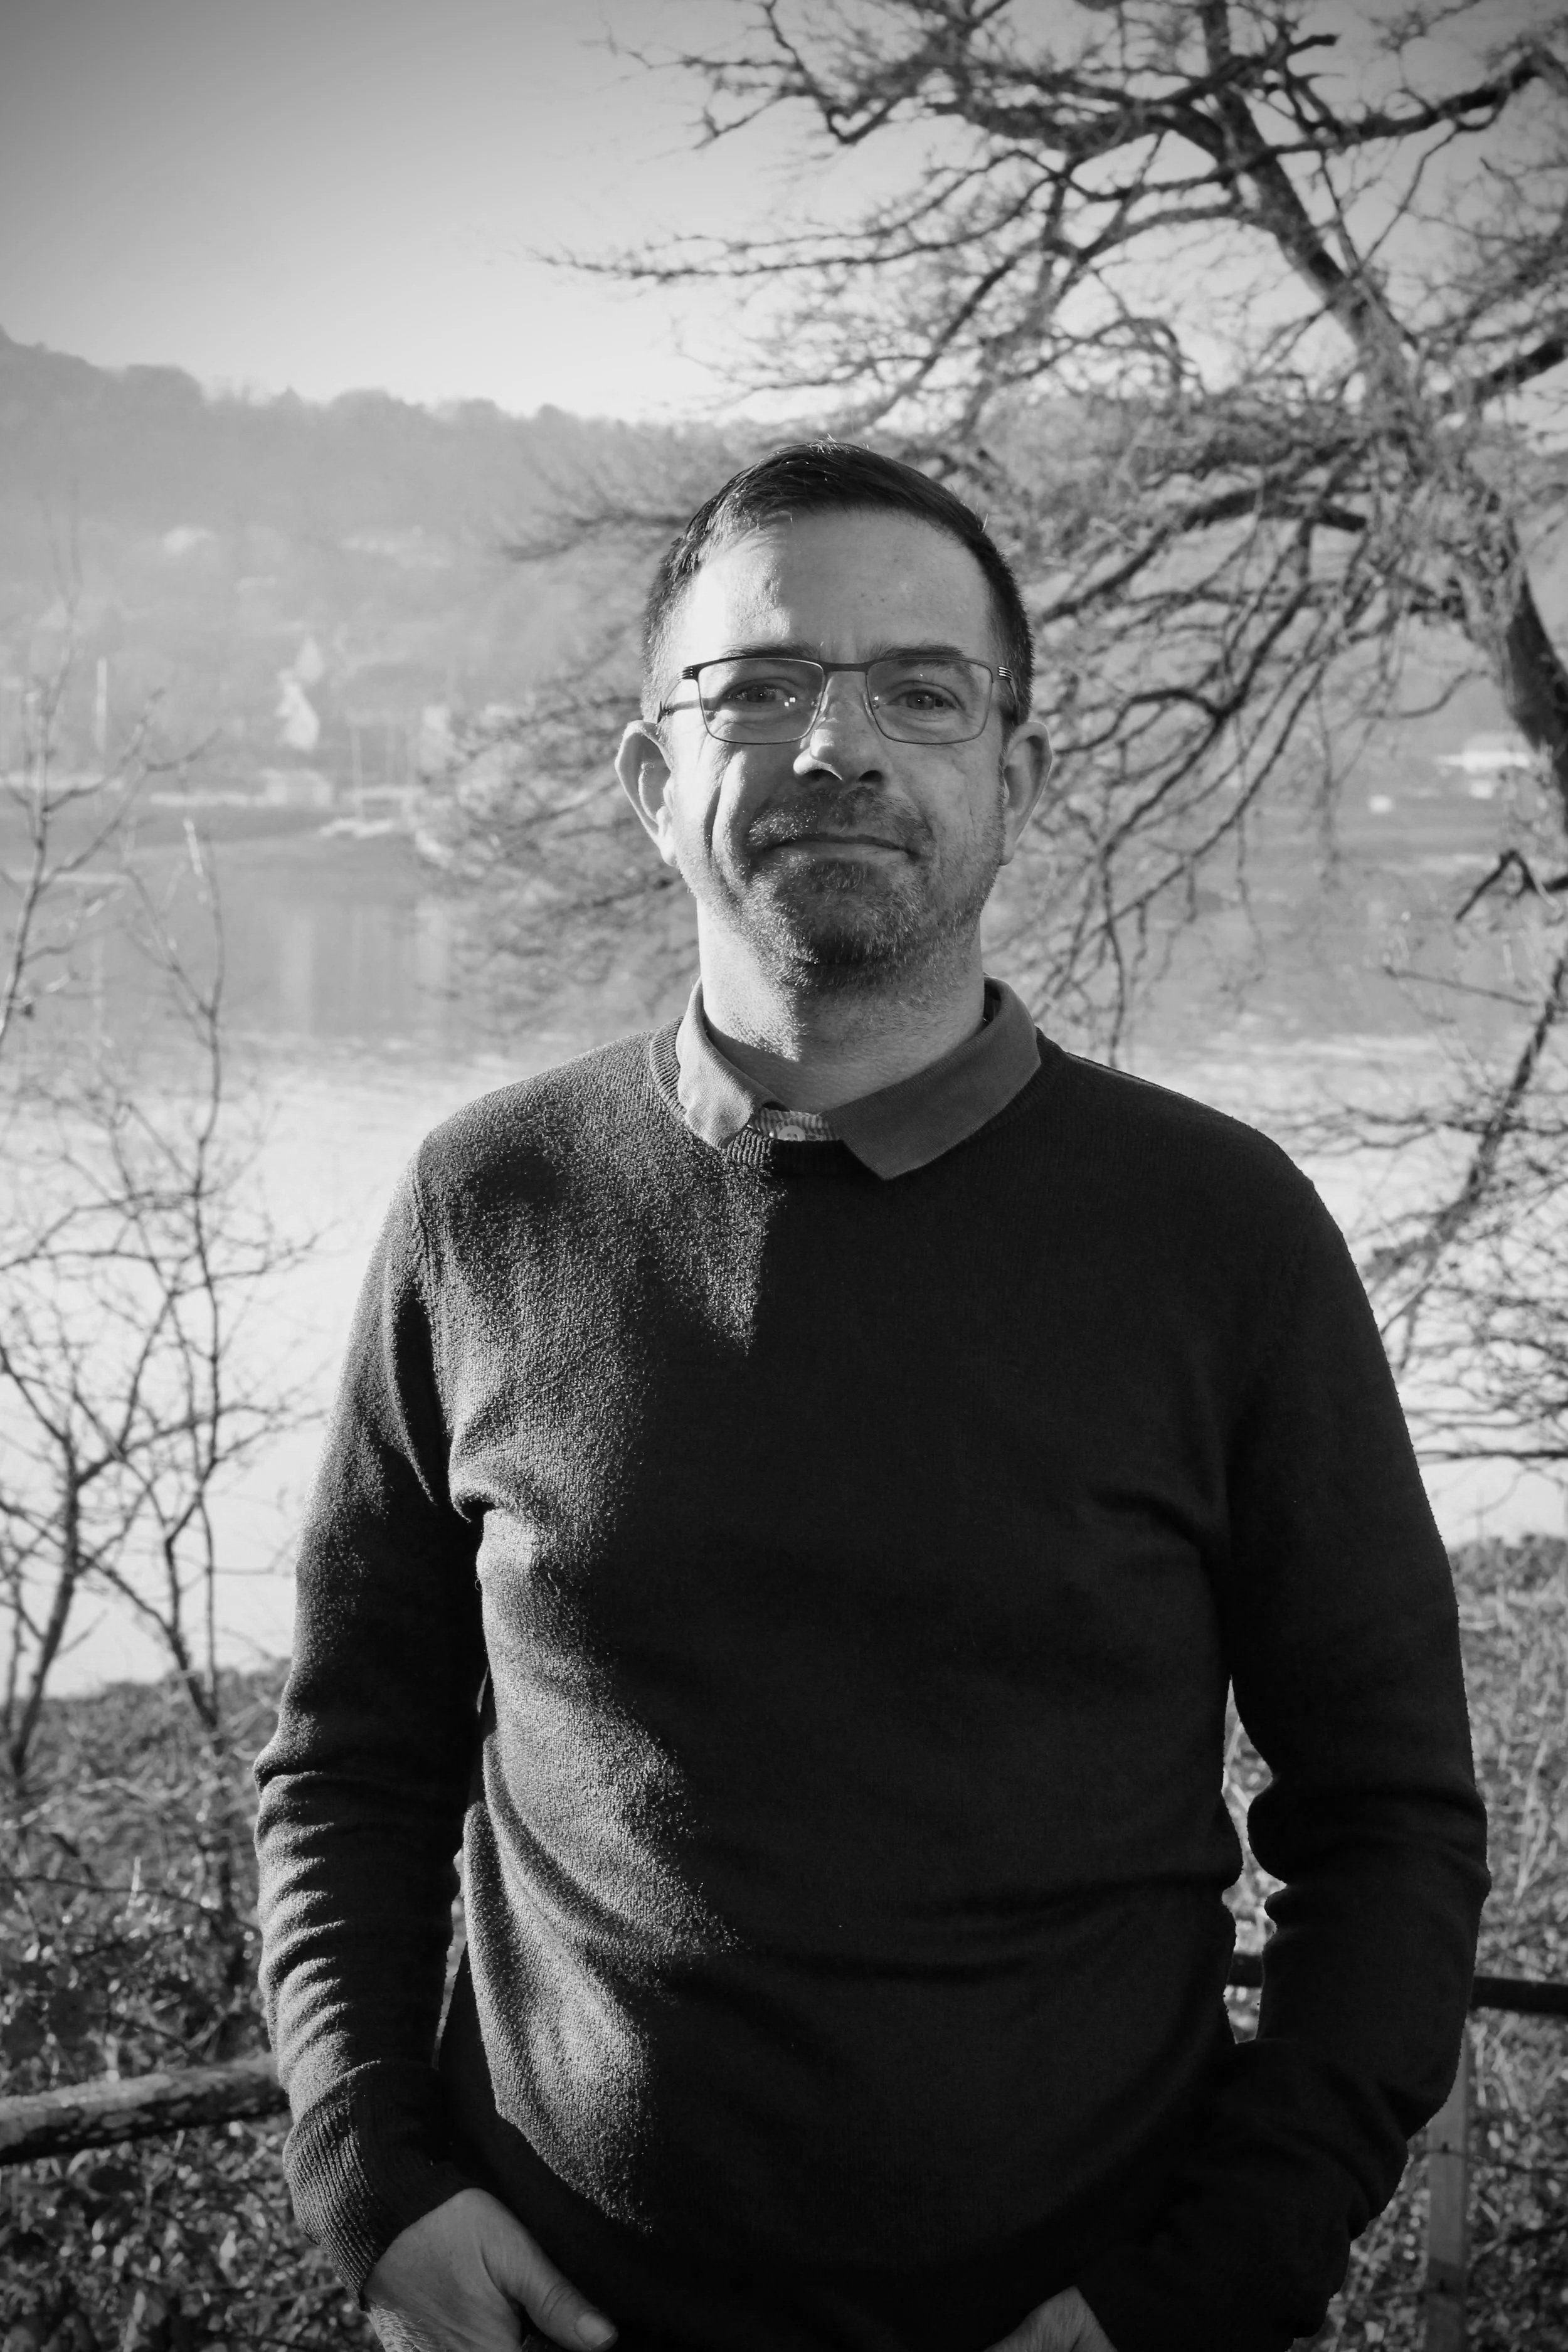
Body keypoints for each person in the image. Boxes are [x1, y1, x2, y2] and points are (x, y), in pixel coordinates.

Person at [255, 442, 1488, 2352]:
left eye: (923, 693)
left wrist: (1210, 2284)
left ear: (1020, 775)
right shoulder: (484, 1205)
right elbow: (351, 1760)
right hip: (545, 2323)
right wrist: (371, 2179)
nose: (837, 748)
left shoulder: (1219, 1234)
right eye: (758, 689)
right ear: (651, 779)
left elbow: (1391, 1824)